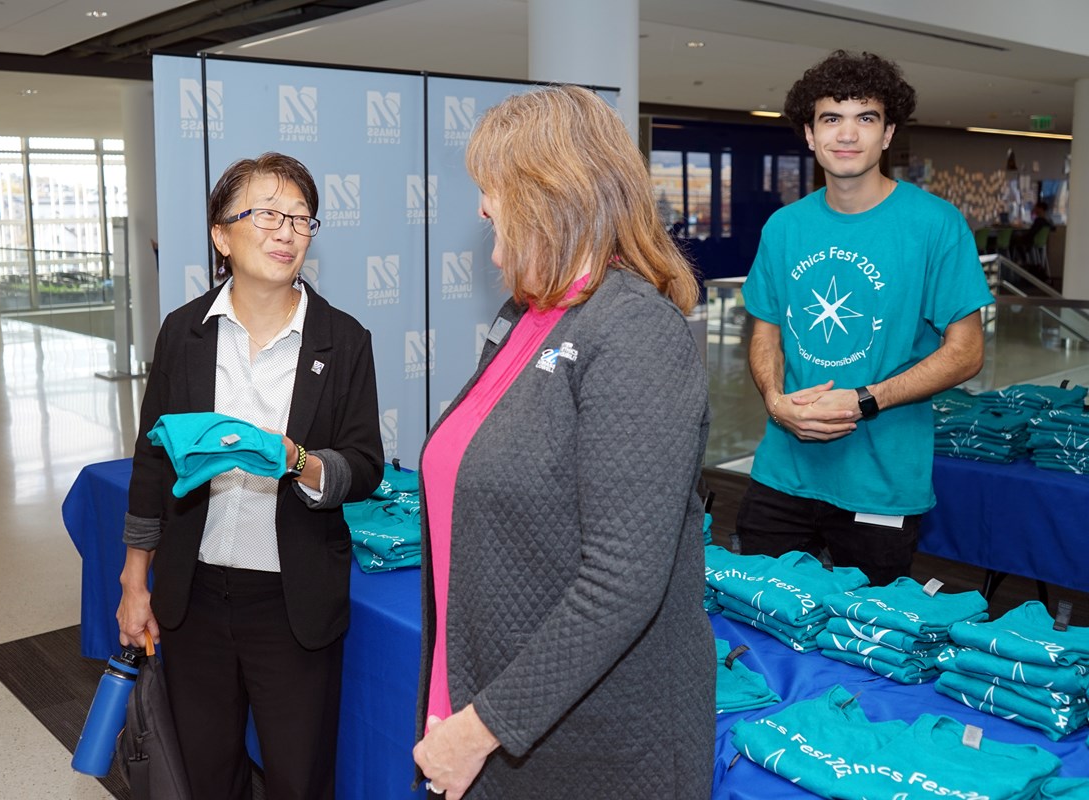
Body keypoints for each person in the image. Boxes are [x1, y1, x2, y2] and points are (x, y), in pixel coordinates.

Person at [411, 85, 714, 799]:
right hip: (501, 712)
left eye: (493, 188)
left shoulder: (634, 331)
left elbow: (620, 582)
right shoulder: (530, 315)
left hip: (592, 746)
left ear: (551, 191)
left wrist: (481, 727)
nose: (483, 207)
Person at [116, 152, 383, 799]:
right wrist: (133, 581)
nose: (286, 230)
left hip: (292, 605)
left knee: (298, 777)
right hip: (195, 597)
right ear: (221, 235)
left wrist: (300, 460)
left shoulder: (342, 341)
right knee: (207, 775)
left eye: (299, 217)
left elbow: (365, 465)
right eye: (266, 213)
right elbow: (152, 459)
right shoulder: (184, 334)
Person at [735, 50, 994, 587]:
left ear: (888, 132)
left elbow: (966, 352)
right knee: (755, 622)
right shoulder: (783, 227)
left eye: (865, 118)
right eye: (831, 118)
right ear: (810, 134)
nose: (847, 134)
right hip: (782, 472)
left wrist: (864, 400)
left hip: (881, 483)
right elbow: (766, 329)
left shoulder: (935, 225)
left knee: (869, 649)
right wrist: (775, 402)